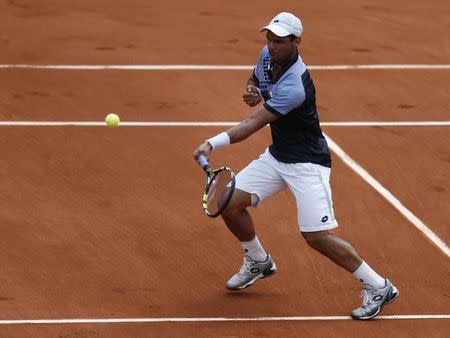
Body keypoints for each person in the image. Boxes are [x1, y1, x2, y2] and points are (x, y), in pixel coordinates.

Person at [193, 12, 399, 320]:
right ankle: (258, 261)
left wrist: (212, 142)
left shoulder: (296, 85)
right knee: (229, 203)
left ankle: (378, 286)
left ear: (297, 42)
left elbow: (252, 124)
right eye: (270, 39)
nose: (271, 46)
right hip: (278, 156)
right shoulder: (267, 55)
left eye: (279, 41)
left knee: (316, 237)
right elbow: (256, 79)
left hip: (307, 164)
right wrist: (254, 89)